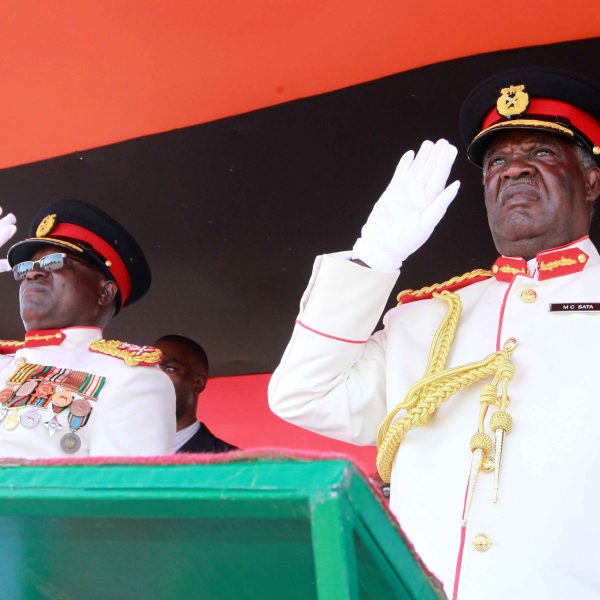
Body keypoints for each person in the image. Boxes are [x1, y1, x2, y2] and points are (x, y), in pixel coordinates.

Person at [268, 68, 600, 599]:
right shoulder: (428, 319)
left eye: (540, 153)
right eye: (497, 161)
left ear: (590, 179)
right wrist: (373, 257)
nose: (513, 169)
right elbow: (304, 396)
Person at [0, 200, 175, 457]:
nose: (32, 274)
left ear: (105, 292)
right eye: (27, 267)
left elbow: (120, 494)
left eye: (54, 263)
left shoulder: (131, 379)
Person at [154, 334, 237, 453]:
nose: (154, 377)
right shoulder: (122, 452)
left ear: (198, 383)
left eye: (169, 369)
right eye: (151, 368)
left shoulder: (234, 464)